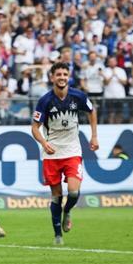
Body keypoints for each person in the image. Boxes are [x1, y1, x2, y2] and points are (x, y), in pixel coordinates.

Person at [32, 62, 99, 245]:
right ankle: (57, 235)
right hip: (52, 153)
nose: (61, 77)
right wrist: (44, 143)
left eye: (64, 74)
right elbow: (35, 128)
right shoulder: (45, 100)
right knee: (56, 195)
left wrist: (94, 136)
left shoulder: (78, 96)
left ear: (68, 76)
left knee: (74, 192)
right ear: (52, 77)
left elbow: (92, 111)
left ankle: (67, 211)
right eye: (58, 74)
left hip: (72, 151)